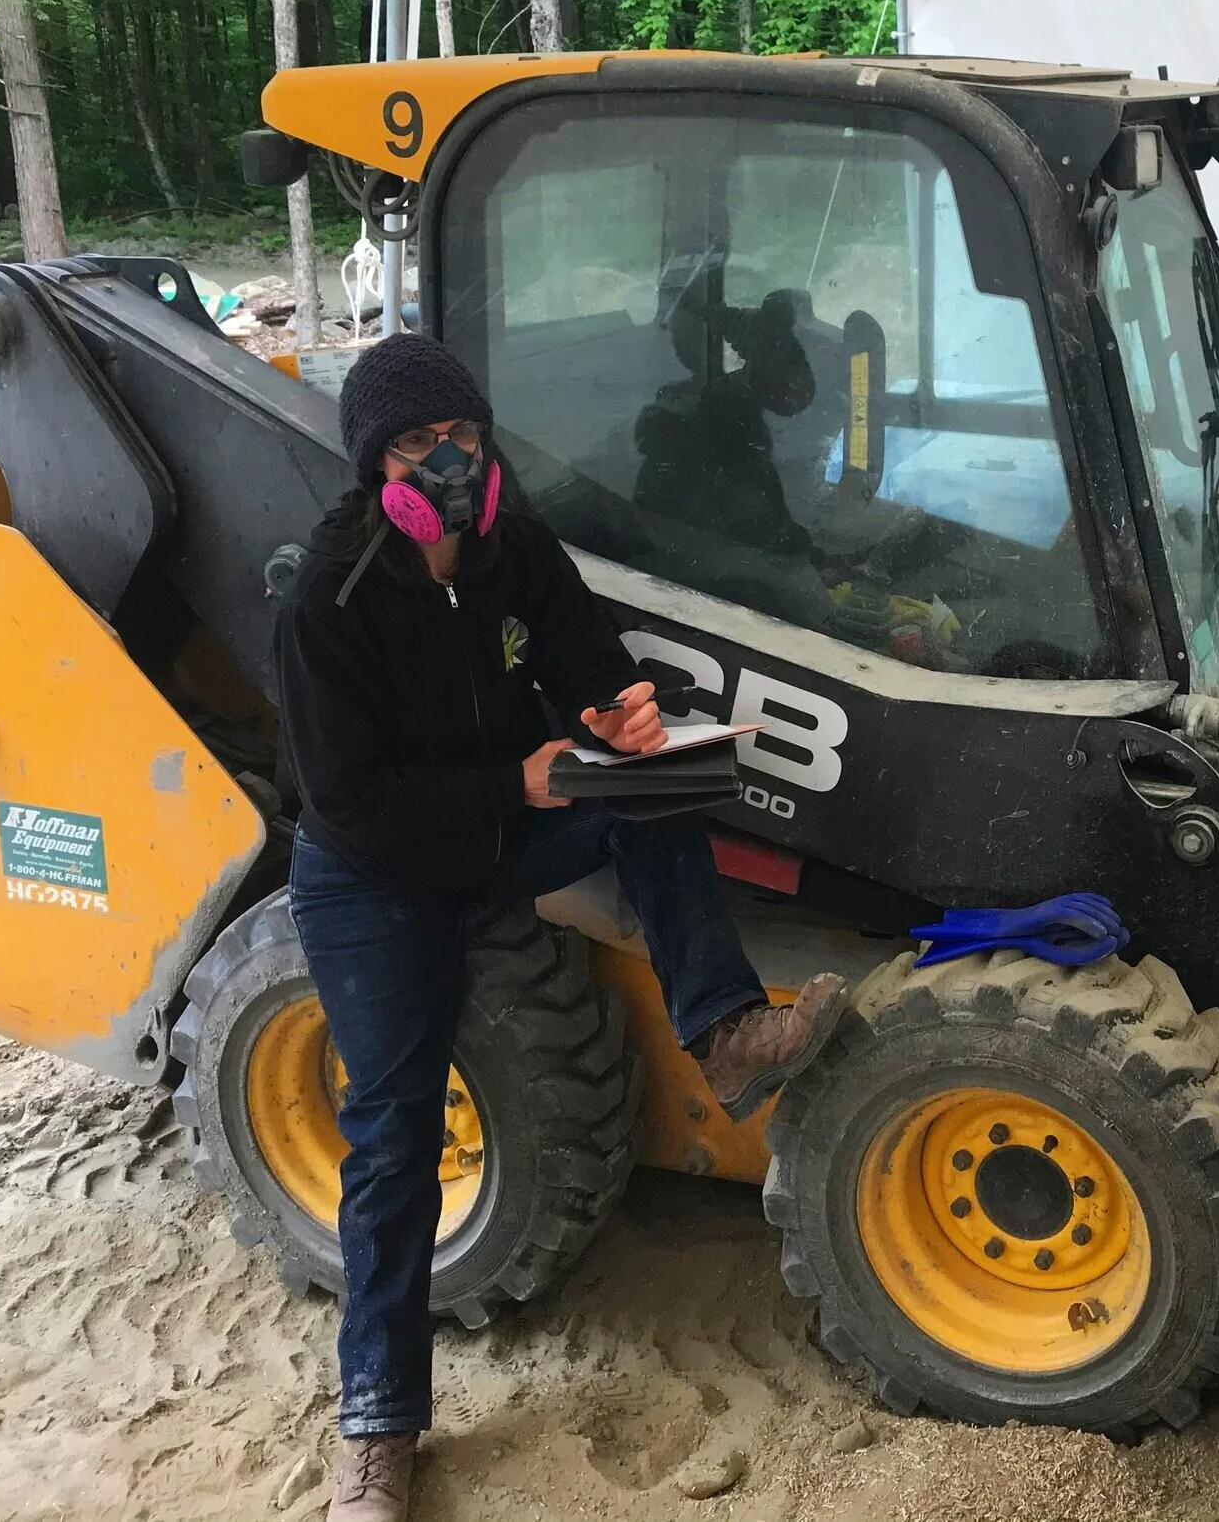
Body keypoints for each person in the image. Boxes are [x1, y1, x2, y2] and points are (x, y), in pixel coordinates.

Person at [274, 332, 845, 1522]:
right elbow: (350, 802)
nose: (445, 463)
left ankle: (726, 1031)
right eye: (417, 443)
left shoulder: (511, 548)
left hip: (502, 825)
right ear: (374, 460)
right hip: (376, 880)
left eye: (462, 439)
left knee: (660, 797)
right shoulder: (327, 597)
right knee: (390, 1141)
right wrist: (515, 786)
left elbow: (586, 653)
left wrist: (621, 712)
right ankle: (379, 1425)